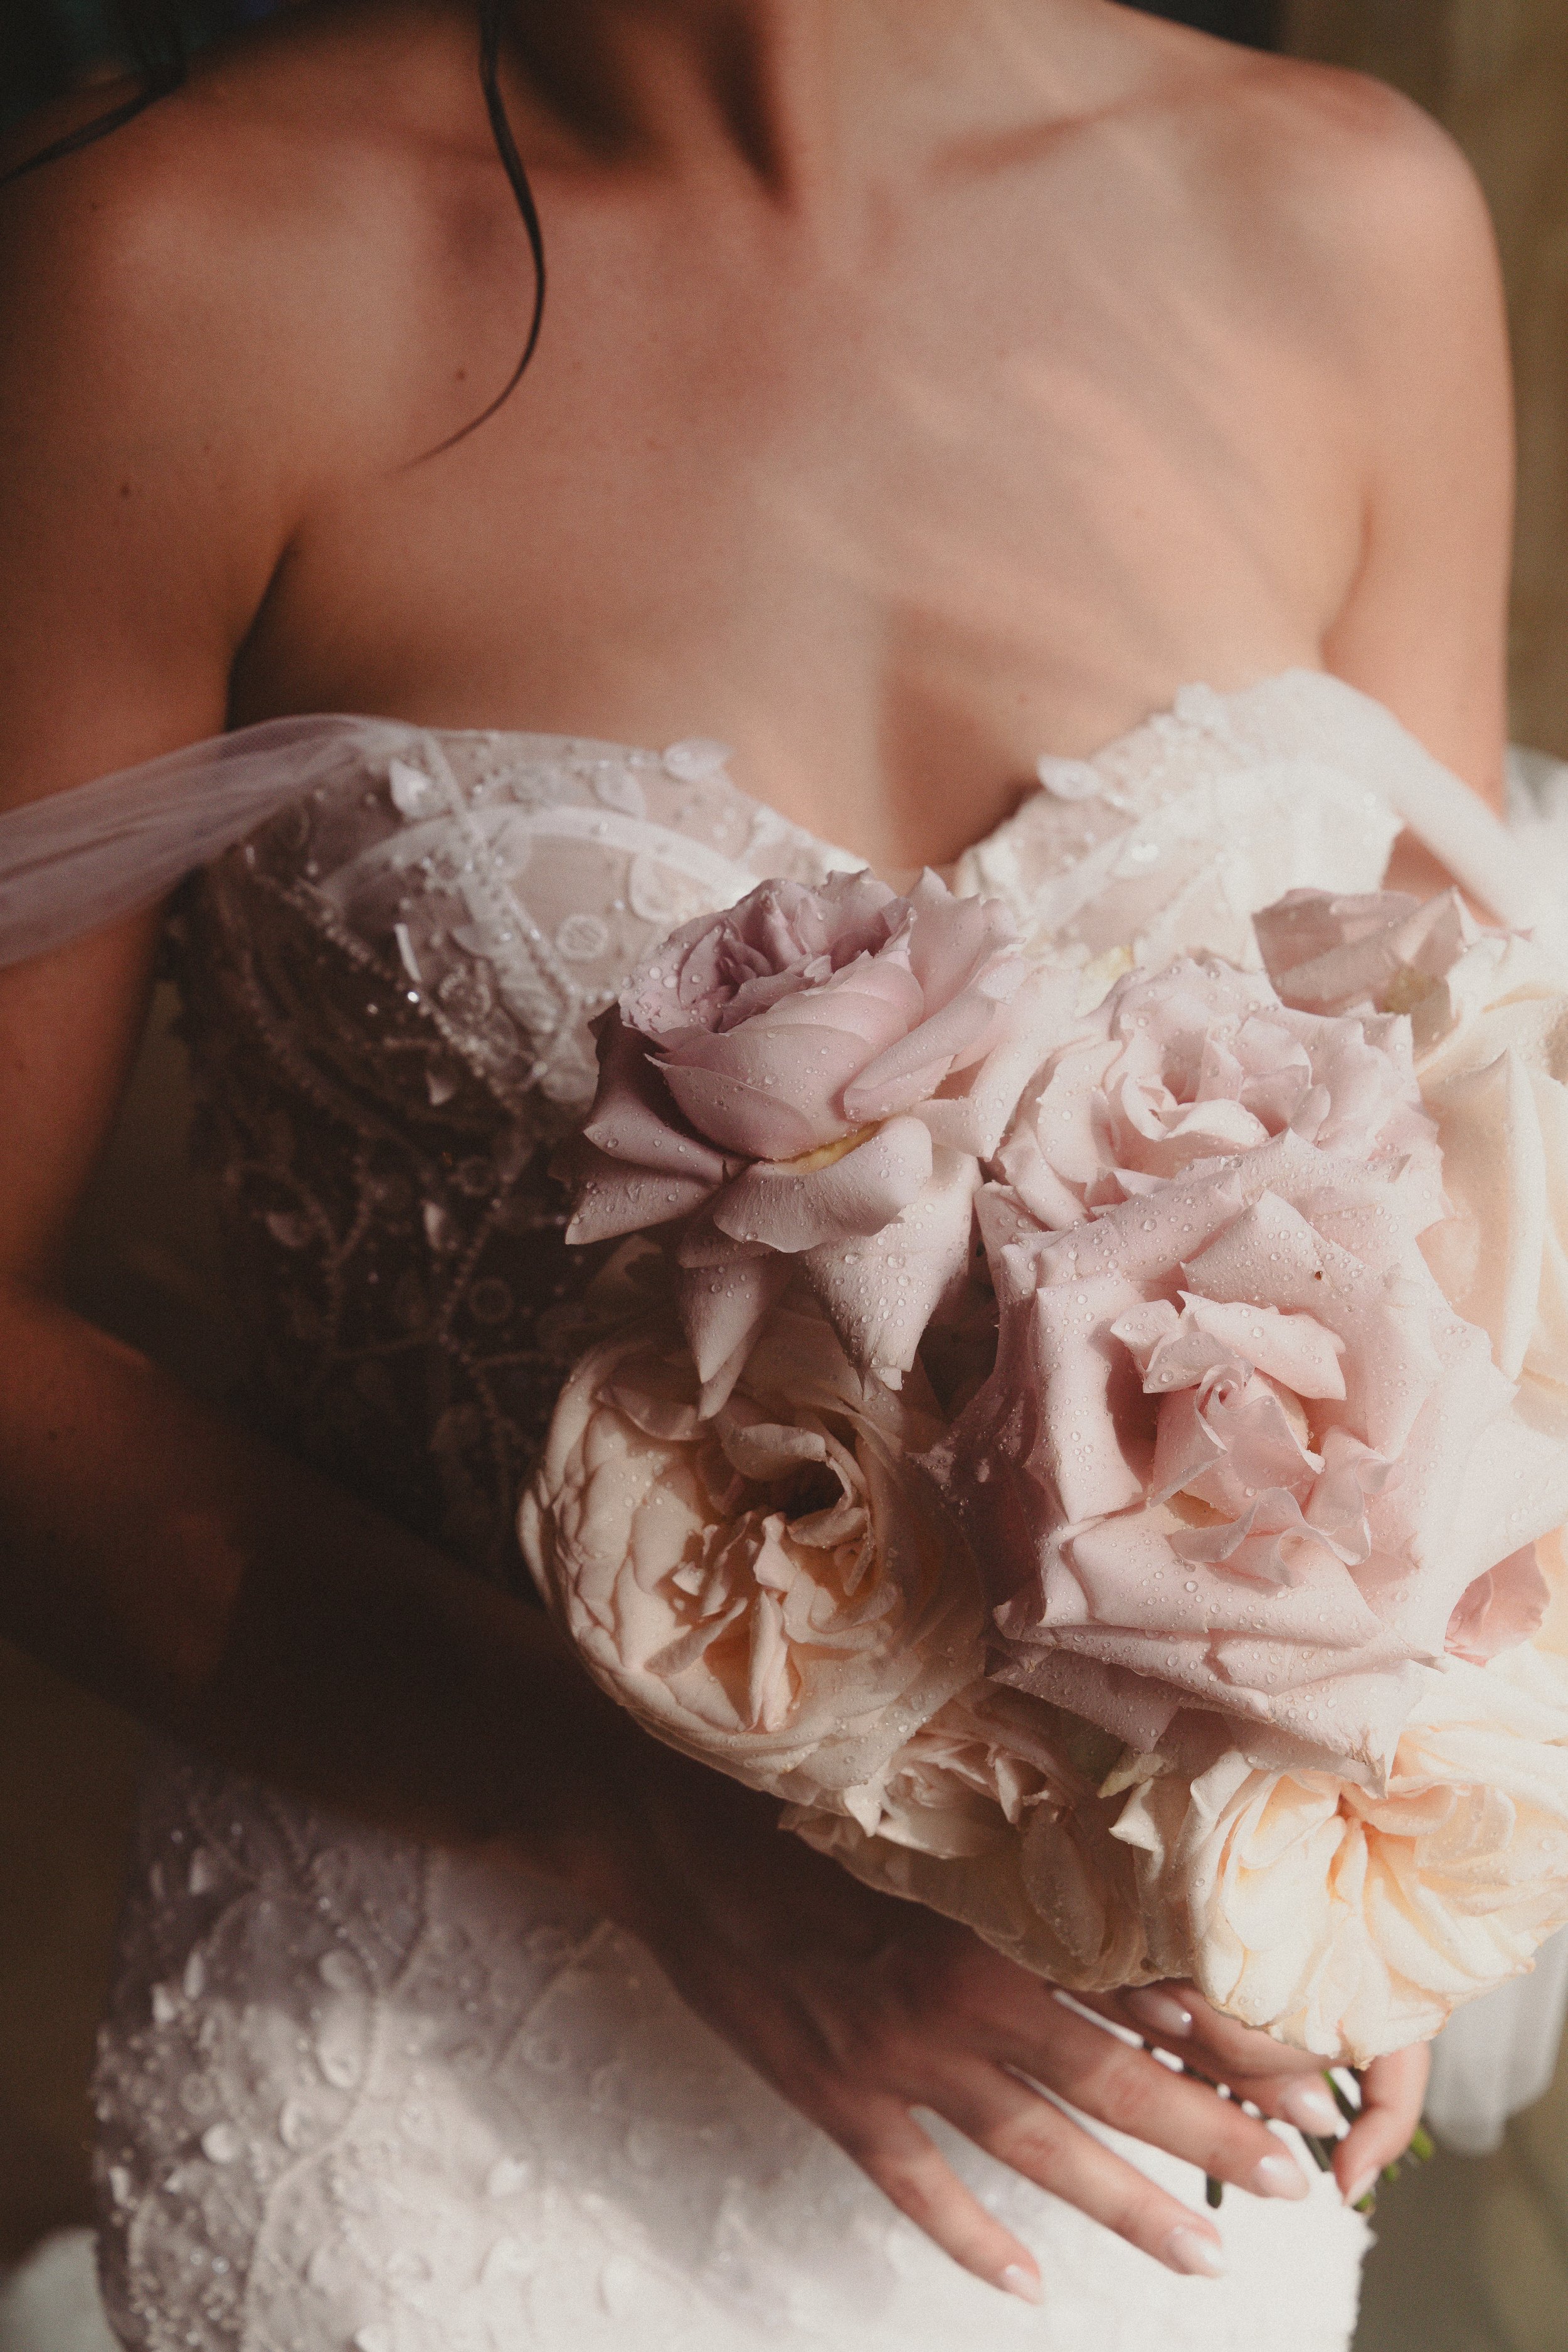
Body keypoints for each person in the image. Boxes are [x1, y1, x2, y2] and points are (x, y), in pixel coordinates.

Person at [0, 1, 1515, 2343]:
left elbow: (1462, 1163)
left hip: (1130, 2129)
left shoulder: (1343, 224)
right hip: (445, 2093)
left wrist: (1391, 1791)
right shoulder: (183, 271)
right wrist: (651, 1829)